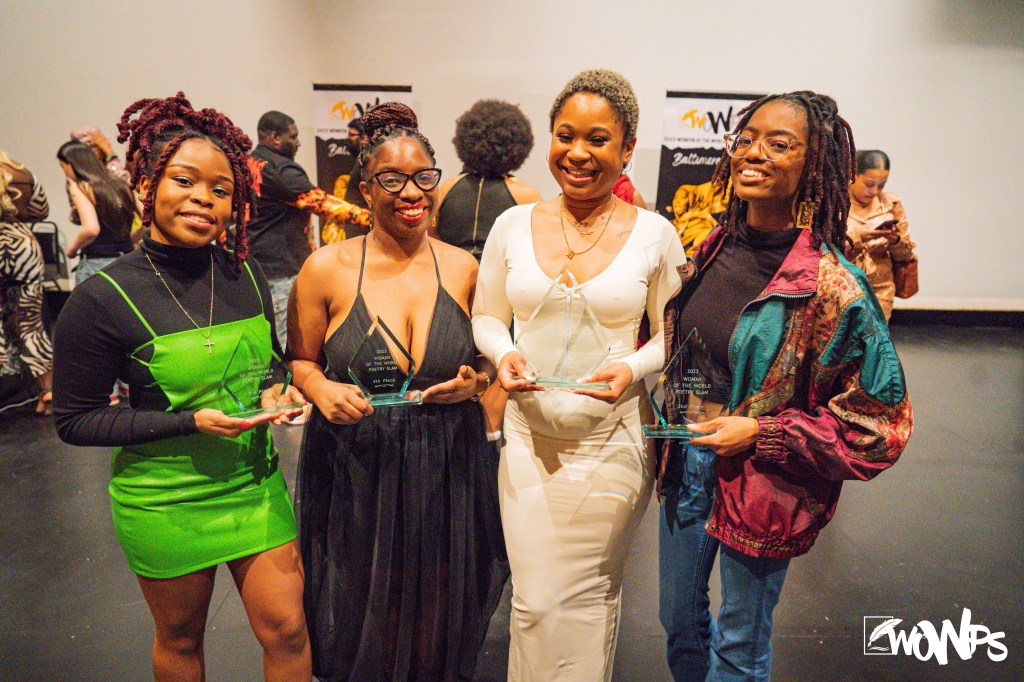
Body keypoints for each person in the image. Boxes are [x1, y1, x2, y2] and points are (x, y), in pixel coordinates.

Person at [52, 92, 311, 680]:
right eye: (185, 181)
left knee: (289, 630)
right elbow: (75, 420)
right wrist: (189, 422)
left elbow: (269, 363)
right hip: (164, 497)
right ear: (146, 183)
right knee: (181, 638)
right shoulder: (102, 298)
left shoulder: (243, 272)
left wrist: (277, 389)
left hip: (254, 484)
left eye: (221, 190)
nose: (203, 198)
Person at [657, 92, 914, 681]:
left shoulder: (830, 284)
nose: (754, 153)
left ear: (815, 163)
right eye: (747, 138)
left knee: (739, 644)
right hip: (688, 464)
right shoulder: (714, 247)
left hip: (765, 483)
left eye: (779, 144)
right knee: (679, 622)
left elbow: (881, 427)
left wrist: (764, 432)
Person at [472, 69, 685, 679]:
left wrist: (632, 366)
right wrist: (503, 354)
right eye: (565, 136)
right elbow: (487, 315)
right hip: (527, 441)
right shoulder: (513, 224)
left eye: (598, 139)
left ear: (627, 148)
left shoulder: (655, 235)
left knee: (589, 601)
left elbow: (674, 335)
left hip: (611, 441)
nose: (578, 153)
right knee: (533, 603)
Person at [290, 102, 508, 680]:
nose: (411, 192)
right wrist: (320, 388)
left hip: (449, 463)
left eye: (423, 177)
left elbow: (486, 363)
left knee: (441, 606)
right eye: (391, 179)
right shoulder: (326, 268)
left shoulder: (465, 269)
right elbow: (300, 361)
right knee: (362, 606)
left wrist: (475, 383)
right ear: (366, 190)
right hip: (357, 462)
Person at [435, 99, 544, 447]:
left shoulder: (445, 189)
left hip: (449, 297)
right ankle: (489, 440)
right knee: (493, 373)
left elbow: (432, 245)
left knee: (455, 375)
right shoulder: (525, 195)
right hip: (499, 304)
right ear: (517, 145)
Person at [246, 110, 369, 349]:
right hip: (282, 269)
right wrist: (373, 218)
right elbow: (322, 204)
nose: (298, 142)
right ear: (275, 137)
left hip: (258, 264)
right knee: (287, 341)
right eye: (293, 137)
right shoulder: (281, 171)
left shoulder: (250, 162)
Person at [435, 99, 543, 260]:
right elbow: (541, 249)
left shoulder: (446, 188)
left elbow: (432, 239)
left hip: (451, 273)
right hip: (502, 275)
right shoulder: (526, 196)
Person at [0, 149, 53, 415]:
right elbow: (42, 210)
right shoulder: (21, 172)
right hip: (23, 246)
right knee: (30, 322)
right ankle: (47, 391)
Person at [846, 149, 917, 320]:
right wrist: (858, 236)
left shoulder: (890, 204)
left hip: (880, 287)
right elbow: (822, 248)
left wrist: (895, 241)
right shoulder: (835, 202)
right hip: (842, 285)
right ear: (853, 175)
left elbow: (906, 255)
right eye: (869, 184)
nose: (875, 191)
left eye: (881, 185)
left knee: (876, 334)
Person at [57, 140, 136, 284]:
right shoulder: (122, 184)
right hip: (128, 261)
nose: (65, 172)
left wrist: (72, 249)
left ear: (71, 164)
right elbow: (148, 221)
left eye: (62, 166)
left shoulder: (81, 187)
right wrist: (132, 239)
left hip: (96, 263)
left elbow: (91, 229)